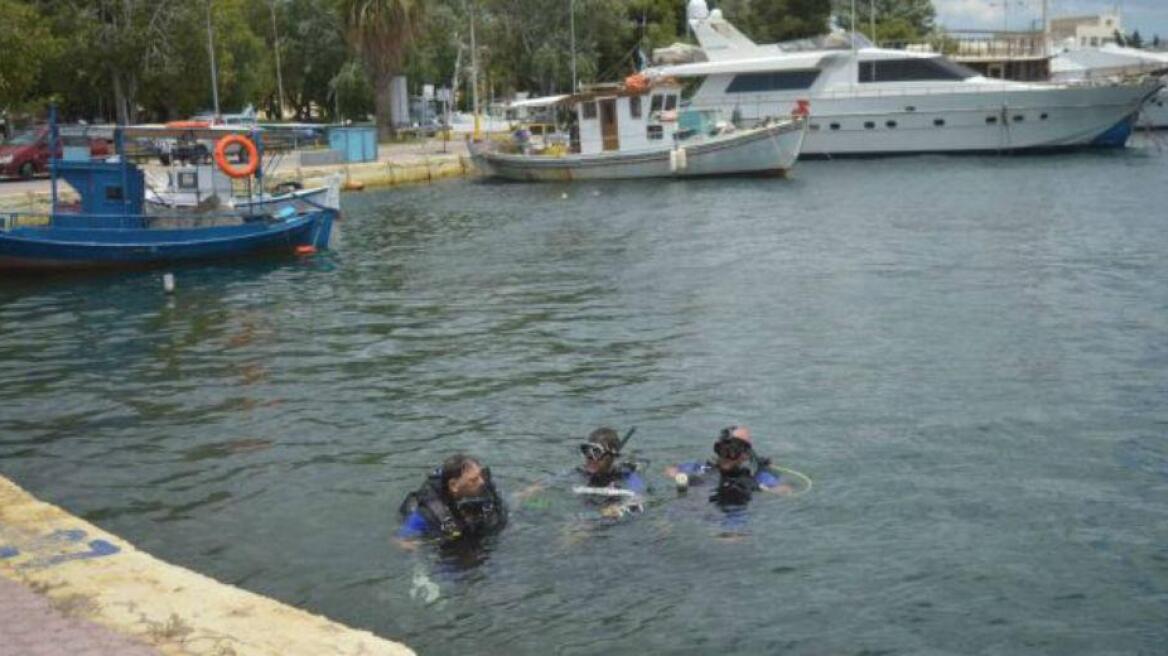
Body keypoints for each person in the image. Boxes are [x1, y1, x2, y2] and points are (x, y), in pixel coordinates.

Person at [396, 454, 507, 548]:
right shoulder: (427, 513)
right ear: (454, 485)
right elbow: (401, 538)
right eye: (473, 480)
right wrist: (406, 543)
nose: (481, 482)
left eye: (480, 475)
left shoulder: (485, 489)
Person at [664, 425, 791, 506]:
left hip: (729, 510)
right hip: (689, 505)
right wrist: (677, 476)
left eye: (732, 451)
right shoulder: (702, 467)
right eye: (722, 450)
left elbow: (786, 490)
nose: (726, 457)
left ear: (745, 455)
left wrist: (761, 489)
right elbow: (670, 470)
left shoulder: (757, 477)